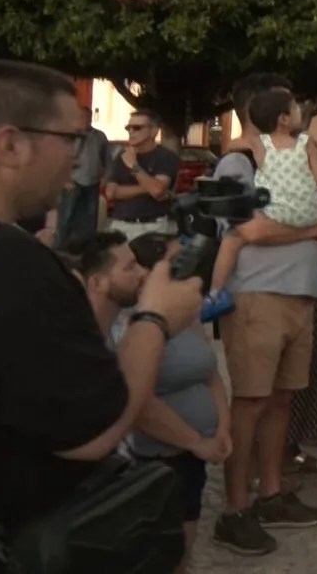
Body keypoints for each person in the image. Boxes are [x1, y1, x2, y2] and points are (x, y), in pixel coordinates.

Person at [0, 61, 203, 540]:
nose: (78, 157)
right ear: (11, 145)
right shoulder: (16, 267)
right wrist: (155, 317)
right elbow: (94, 433)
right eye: (73, 139)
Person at [209, 76, 317, 556]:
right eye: (292, 105)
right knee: (250, 400)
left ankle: (270, 493)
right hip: (257, 295)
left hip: (299, 293)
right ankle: (234, 509)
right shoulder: (238, 162)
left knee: (282, 400)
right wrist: (316, 231)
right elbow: (245, 229)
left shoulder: (291, 156)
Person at [116, 233, 230, 574]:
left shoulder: (187, 315)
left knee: (184, 551)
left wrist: (223, 426)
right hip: (156, 458)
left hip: (193, 457)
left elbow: (210, 372)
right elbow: (139, 403)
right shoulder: (129, 327)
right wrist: (198, 443)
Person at [210, 90, 317, 311]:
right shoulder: (306, 143)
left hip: (276, 210)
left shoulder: (259, 145)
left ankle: (214, 293)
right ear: (283, 118)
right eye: (295, 107)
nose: (302, 109)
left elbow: (238, 145)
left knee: (232, 240)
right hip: (304, 216)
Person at [105, 110, 181, 239]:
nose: (131, 132)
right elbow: (111, 192)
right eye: (128, 128)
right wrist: (148, 188)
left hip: (152, 227)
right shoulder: (122, 156)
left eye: (137, 128)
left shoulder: (165, 157)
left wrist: (133, 166)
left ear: (154, 131)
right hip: (120, 225)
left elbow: (157, 191)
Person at [60, 104, 108, 243]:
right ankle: (61, 247)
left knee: (91, 216)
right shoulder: (69, 135)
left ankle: (87, 247)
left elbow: (106, 158)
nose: (86, 120)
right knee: (67, 216)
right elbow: (61, 158)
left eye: (88, 116)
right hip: (73, 181)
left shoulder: (99, 136)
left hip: (93, 181)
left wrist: (105, 177)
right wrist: (65, 179)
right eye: (82, 117)